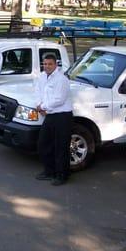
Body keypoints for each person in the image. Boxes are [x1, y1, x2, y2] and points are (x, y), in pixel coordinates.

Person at [35, 54, 73, 186]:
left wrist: (43, 107)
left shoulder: (61, 79)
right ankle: (49, 171)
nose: (46, 66)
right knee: (43, 144)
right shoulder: (41, 76)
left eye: (49, 64)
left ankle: (62, 175)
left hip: (62, 116)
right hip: (49, 115)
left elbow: (59, 99)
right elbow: (38, 92)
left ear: (56, 65)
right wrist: (39, 105)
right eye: (44, 64)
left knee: (61, 147)